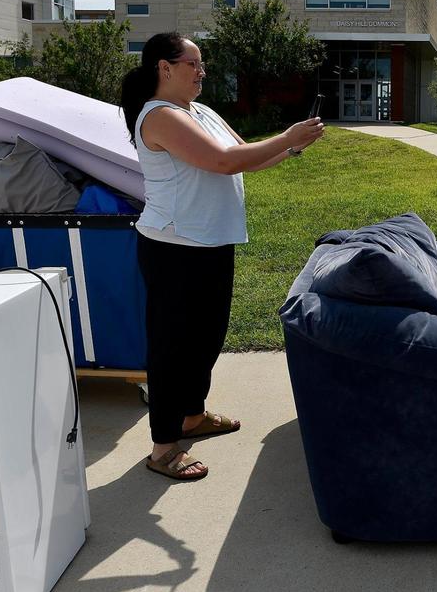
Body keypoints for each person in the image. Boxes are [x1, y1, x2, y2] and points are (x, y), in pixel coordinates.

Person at [120, 32, 324, 481]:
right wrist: (286, 136)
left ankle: (192, 416)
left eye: (202, 64)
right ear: (164, 68)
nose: (202, 72)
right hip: (173, 247)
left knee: (207, 338)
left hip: (212, 242)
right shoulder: (160, 116)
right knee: (172, 347)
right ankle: (163, 446)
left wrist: (291, 147)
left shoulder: (203, 112)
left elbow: (243, 156)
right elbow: (222, 162)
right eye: (193, 64)